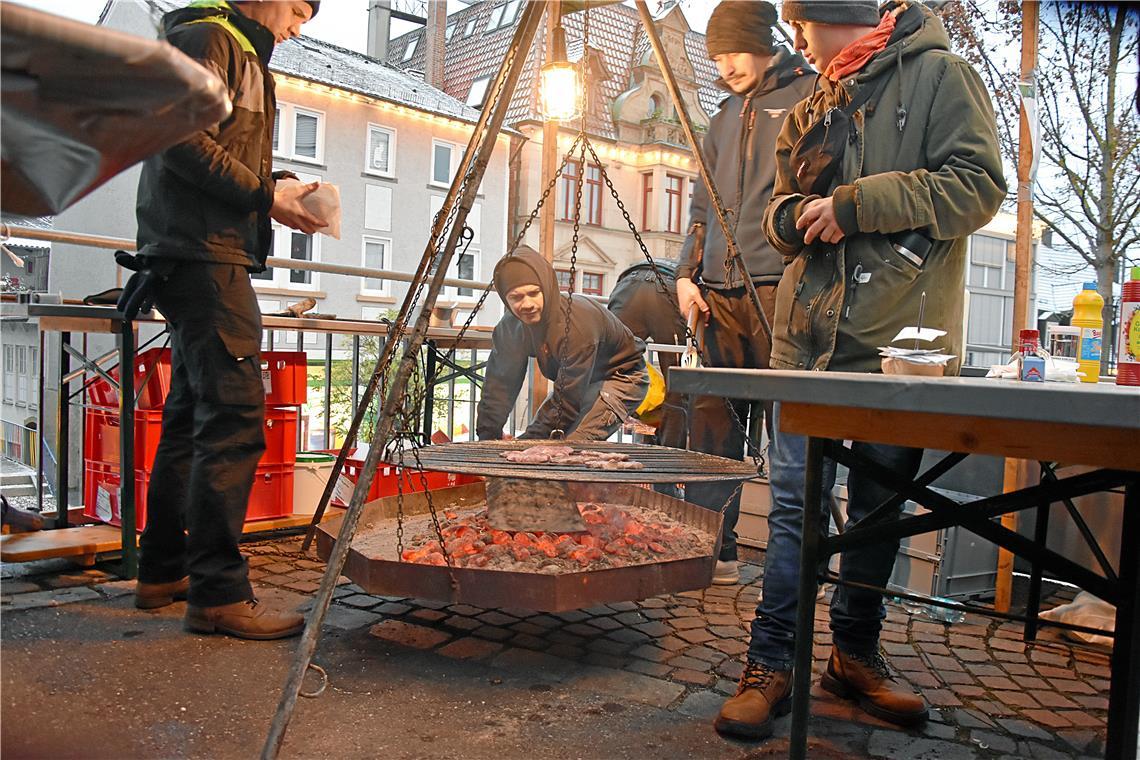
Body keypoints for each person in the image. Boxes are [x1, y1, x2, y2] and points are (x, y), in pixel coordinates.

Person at [715, 0, 1005, 740]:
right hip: (803, 344)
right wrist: (791, 220)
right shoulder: (815, 102)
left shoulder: (943, 77)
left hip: (895, 343)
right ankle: (769, 662)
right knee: (791, 512)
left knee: (880, 510)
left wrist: (855, 205)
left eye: (801, 23)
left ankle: (853, 654)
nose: (797, 40)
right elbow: (778, 208)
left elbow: (978, 185)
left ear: (831, 11)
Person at [129, 0, 325, 640]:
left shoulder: (225, 46)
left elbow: (214, 146)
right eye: (298, 9)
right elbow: (180, 138)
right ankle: (218, 593)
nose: (298, 27)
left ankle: (163, 571)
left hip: (194, 253)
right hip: (205, 256)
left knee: (190, 418)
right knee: (236, 420)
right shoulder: (212, 40)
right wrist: (269, 197)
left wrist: (278, 184)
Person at [676, 0, 814, 585]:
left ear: (764, 42)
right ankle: (717, 550)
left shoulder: (809, 95)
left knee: (789, 435)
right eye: (716, 55)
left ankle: (793, 572)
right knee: (713, 428)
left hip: (779, 289)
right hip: (717, 293)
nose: (725, 65)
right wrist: (686, 273)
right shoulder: (725, 114)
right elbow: (702, 204)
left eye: (733, 51)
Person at [476, 247, 649, 441]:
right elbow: (499, 384)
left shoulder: (576, 325)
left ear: (546, 288)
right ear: (505, 299)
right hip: (577, 381)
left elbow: (566, 402)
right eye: (516, 297)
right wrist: (487, 437)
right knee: (537, 439)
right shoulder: (510, 328)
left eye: (533, 293)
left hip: (622, 376)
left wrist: (529, 443)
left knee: (572, 445)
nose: (527, 304)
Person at [606, 259, 687, 451]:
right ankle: (670, 454)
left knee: (606, 368)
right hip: (668, 287)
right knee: (677, 382)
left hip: (628, 285)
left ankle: (594, 445)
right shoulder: (690, 267)